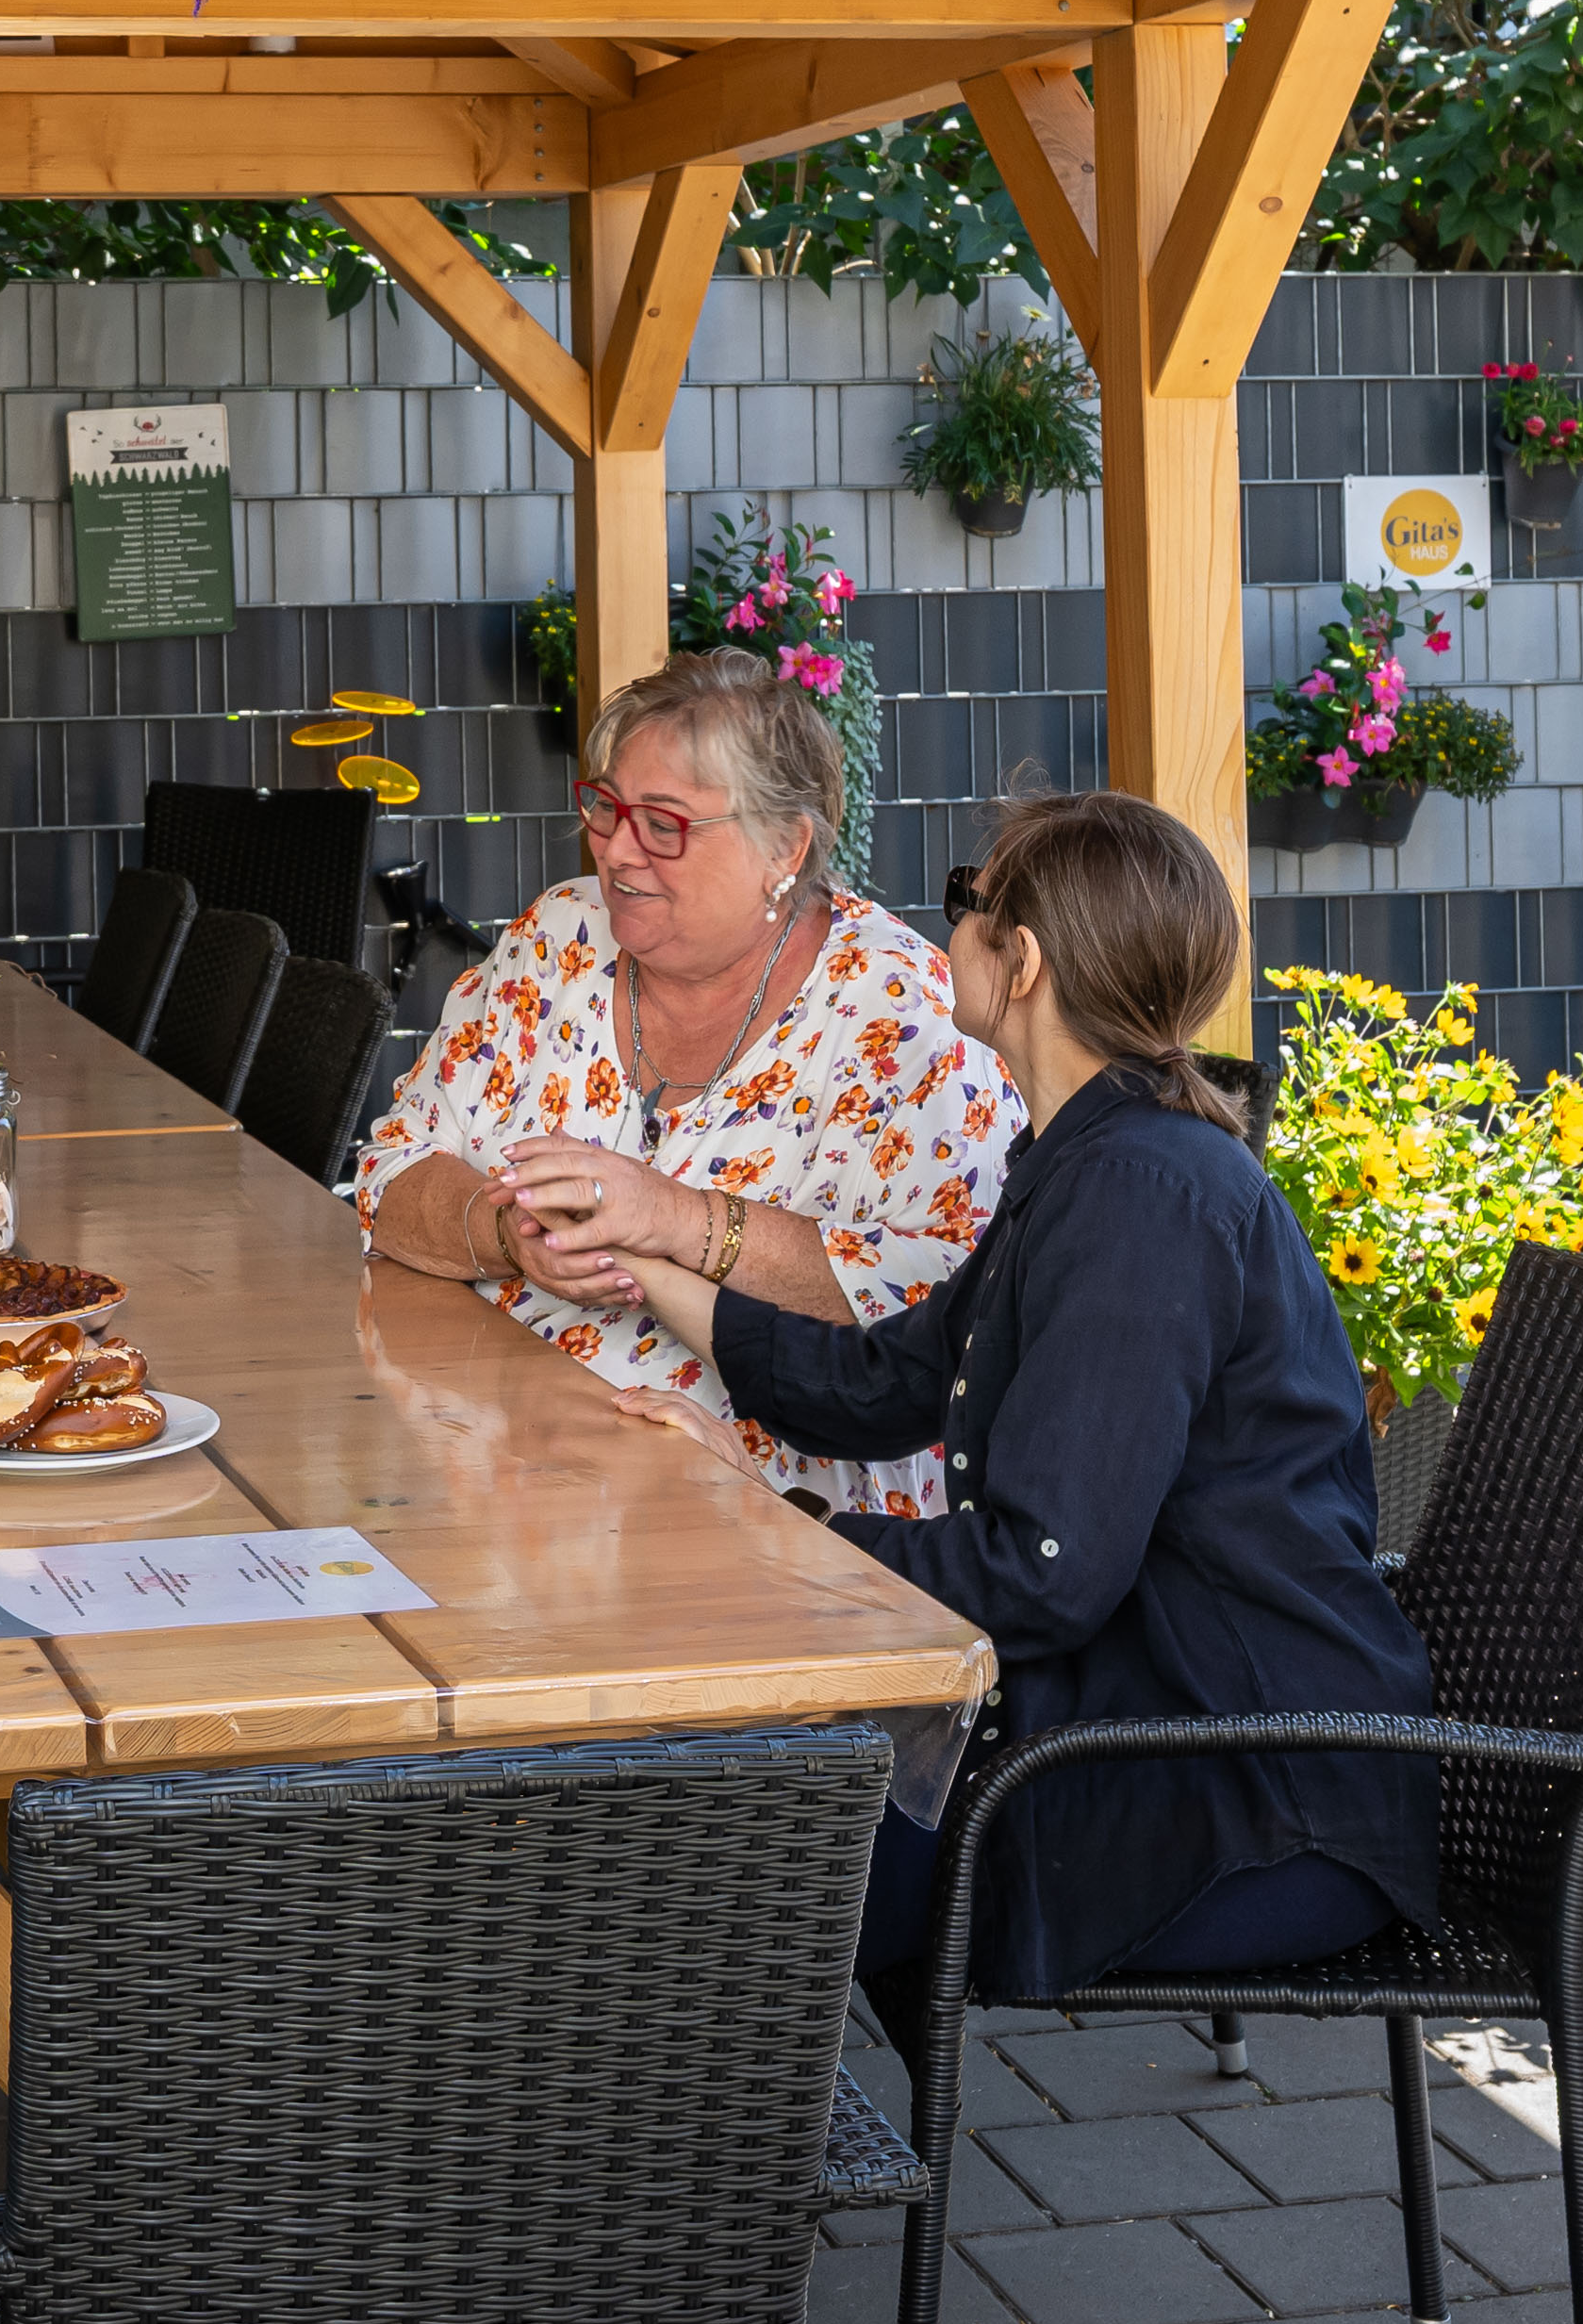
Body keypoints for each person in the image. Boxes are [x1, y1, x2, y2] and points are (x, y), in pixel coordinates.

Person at [496, 787, 1441, 2004]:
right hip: (1138, 1722)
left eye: (966, 900)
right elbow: (886, 1378)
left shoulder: (1140, 1199)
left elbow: (1043, 1568)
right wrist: (641, 1257)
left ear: (1023, 959)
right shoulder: (1090, 1155)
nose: (949, 923)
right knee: (703, 1813)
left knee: (719, 1847)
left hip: (1242, 1792)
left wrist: (779, 1535)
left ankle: (710, 2107)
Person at [344, 651, 1016, 1512]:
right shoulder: (559, 937)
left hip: (758, 1510)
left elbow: (949, 1304)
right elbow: (391, 1173)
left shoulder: (907, 1016)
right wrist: (507, 1231)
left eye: (663, 823)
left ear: (785, 846)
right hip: (493, 1453)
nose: (617, 849)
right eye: (607, 806)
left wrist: (676, 1220)